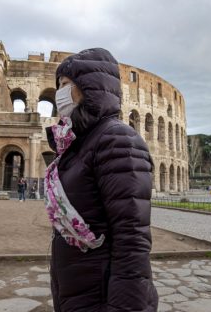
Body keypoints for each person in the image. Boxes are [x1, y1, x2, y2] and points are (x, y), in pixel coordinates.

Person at [45, 48, 157, 311]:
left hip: (101, 292)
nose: (59, 94)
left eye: (64, 85)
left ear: (90, 87)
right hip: (81, 288)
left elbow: (131, 239)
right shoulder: (79, 144)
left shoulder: (116, 140)